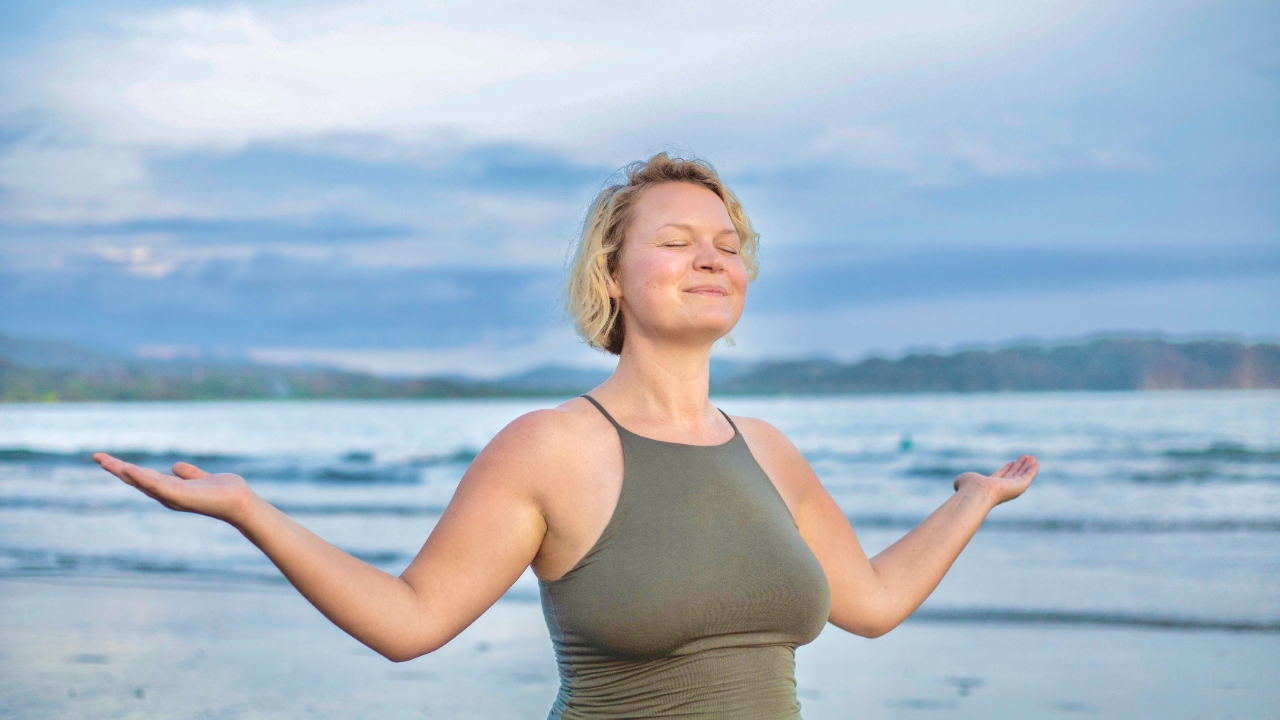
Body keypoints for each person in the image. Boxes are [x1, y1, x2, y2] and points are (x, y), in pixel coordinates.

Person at [94, 153, 1038, 719]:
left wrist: (969, 503)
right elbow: (411, 622)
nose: (712, 254)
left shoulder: (769, 450)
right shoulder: (551, 446)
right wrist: (250, 511)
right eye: (676, 240)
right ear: (614, 274)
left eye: (729, 241)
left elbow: (869, 602)